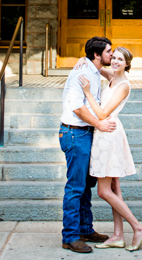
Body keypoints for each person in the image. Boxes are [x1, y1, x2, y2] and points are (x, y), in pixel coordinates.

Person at [78, 46, 142, 252]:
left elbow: (101, 114)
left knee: (103, 191)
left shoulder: (123, 86)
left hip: (108, 135)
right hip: (104, 135)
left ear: (127, 64)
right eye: (114, 57)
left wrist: (87, 92)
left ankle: (138, 228)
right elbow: (98, 68)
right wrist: (83, 59)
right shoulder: (112, 75)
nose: (115, 61)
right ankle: (118, 235)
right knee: (115, 188)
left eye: (120, 59)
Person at [59, 36, 117, 254]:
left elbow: (117, 74)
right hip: (75, 134)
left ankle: (85, 229)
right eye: (108, 51)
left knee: (85, 186)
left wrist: (85, 60)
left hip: (86, 133)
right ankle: (70, 236)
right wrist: (99, 124)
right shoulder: (81, 74)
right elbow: (77, 108)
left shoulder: (92, 70)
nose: (111, 54)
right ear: (97, 54)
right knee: (75, 186)